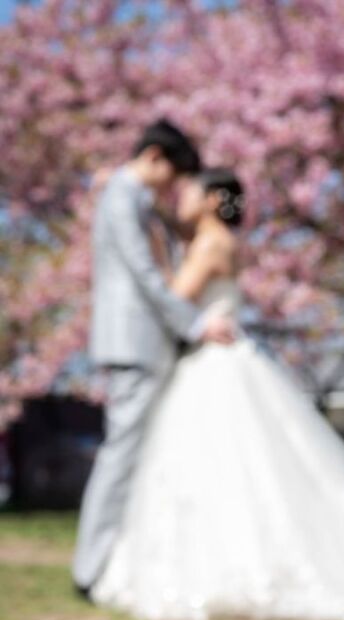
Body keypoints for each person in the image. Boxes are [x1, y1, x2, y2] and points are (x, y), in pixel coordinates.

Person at [91, 169, 344, 620]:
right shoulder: (215, 240)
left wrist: (158, 255)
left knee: (216, 468)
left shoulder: (210, 243)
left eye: (191, 191)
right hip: (222, 357)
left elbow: (175, 297)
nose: (181, 197)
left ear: (211, 200)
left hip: (213, 363)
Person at [72, 120, 236, 596]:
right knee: (121, 455)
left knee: (133, 453)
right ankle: (90, 569)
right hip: (133, 342)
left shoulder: (133, 199)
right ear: (154, 158)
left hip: (144, 342)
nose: (172, 188)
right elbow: (144, 272)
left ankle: (104, 562)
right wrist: (194, 323)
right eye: (172, 176)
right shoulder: (124, 198)